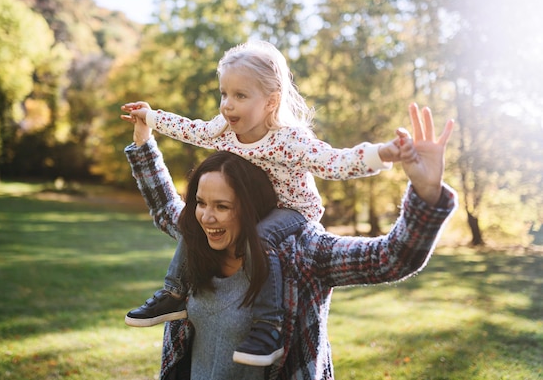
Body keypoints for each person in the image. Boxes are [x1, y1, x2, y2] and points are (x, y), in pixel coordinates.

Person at [120, 40, 409, 366]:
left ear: (271, 101)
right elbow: (191, 129)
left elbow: (333, 162)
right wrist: (150, 118)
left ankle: (269, 326)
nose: (227, 105)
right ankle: (173, 294)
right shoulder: (223, 129)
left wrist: (381, 154)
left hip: (293, 211)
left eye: (240, 96)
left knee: (263, 236)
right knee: (193, 219)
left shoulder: (289, 140)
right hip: (256, 209)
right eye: (224, 93)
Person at [123, 102, 457, 379]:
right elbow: (166, 206)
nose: (206, 217)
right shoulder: (196, 244)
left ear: (251, 207)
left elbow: (390, 258)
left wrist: (426, 195)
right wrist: (143, 143)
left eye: (222, 206)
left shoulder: (300, 253)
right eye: (200, 203)